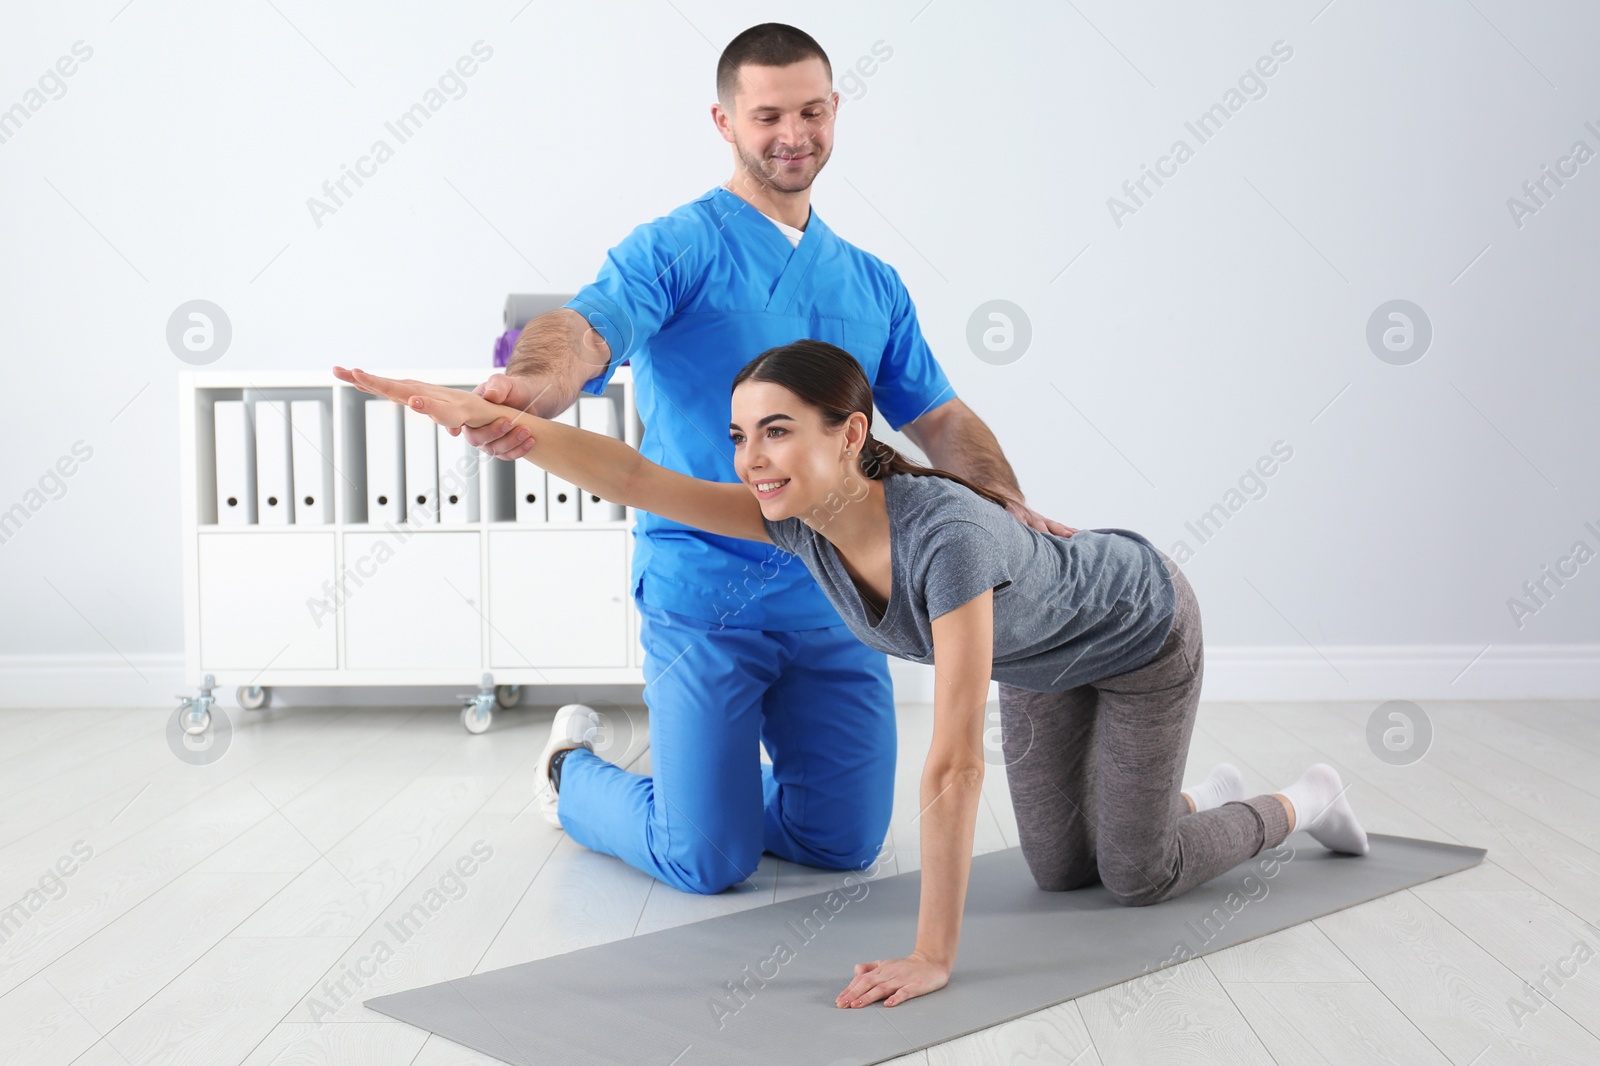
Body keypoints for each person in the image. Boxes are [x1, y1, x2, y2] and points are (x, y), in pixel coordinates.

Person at [333, 345, 1371, 1010]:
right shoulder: (803, 526)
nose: (751, 457)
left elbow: (955, 765)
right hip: (1044, 661)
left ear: (851, 435)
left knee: (1135, 876)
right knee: (1064, 871)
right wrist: (483, 417)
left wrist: (932, 956)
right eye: (741, 435)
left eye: (776, 431)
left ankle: (1298, 800)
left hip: (1140, 634)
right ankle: (1201, 799)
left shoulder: (947, 541)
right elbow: (641, 478)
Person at [452, 23, 1075, 896]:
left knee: (844, 843)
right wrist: (533, 383)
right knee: (706, 860)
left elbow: (939, 416)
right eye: (769, 114)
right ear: (725, 121)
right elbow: (585, 331)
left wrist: (1007, 504)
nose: (794, 134)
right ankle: (571, 774)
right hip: (705, 591)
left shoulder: (872, 282)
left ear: (834, 111)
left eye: (812, 111)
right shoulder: (674, 249)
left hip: (841, 600)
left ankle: (715, 799)